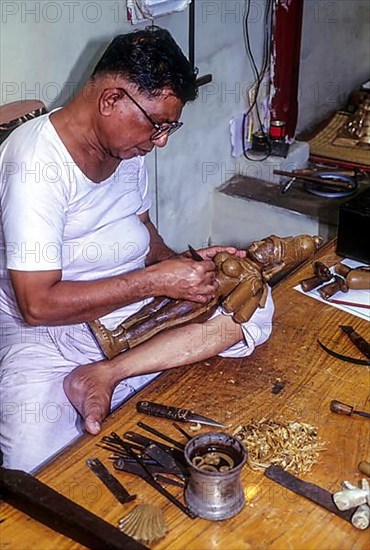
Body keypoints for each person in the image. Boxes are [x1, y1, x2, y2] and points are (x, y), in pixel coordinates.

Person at [0, 27, 274, 473]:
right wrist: (156, 282)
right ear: (110, 100)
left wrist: (184, 267)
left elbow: (143, 230)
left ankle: (109, 373)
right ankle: (120, 371)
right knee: (36, 465)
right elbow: (36, 305)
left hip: (127, 317)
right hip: (48, 337)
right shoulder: (34, 165)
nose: (161, 140)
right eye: (158, 124)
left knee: (254, 297)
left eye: (170, 126)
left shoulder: (128, 148)